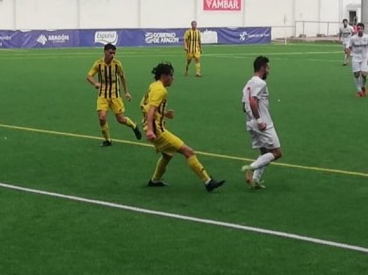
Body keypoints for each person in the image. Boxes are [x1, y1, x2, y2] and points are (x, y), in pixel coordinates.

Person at [141, 62, 225, 192]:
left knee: (167, 155)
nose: (173, 78)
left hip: (153, 127)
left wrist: (164, 114)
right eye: (171, 75)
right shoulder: (160, 90)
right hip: (157, 130)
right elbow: (151, 110)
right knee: (188, 152)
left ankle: (155, 180)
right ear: (164, 76)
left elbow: (145, 106)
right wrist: (151, 130)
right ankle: (208, 181)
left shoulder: (153, 86)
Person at [86, 43, 142, 146]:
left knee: (120, 119)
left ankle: (134, 126)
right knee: (102, 118)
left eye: (114, 53)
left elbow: (122, 77)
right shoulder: (98, 64)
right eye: (110, 53)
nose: (112, 55)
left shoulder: (117, 64)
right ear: (105, 52)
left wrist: (126, 92)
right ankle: (107, 140)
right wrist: (95, 83)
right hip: (102, 95)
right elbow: (89, 76)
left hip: (115, 95)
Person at [240, 56, 282, 189]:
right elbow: (253, 101)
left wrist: (252, 119)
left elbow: (243, 105)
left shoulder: (248, 84)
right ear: (262, 68)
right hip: (262, 123)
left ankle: (255, 181)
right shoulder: (260, 83)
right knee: (276, 153)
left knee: (264, 153)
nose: (269, 71)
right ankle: (250, 168)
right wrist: (259, 120)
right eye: (267, 67)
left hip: (250, 123)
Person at [349, 23, 368, 96]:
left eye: (361, 28)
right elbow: (349, 47)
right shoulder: (353, 38)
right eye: (358, 28)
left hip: (365, 58)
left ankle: (363, 87)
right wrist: (349, 54)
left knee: (364, 75)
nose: (360, 30)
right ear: (356, 29)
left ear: (363, 29)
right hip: (355, 58)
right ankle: (359, 91)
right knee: (356, 74)